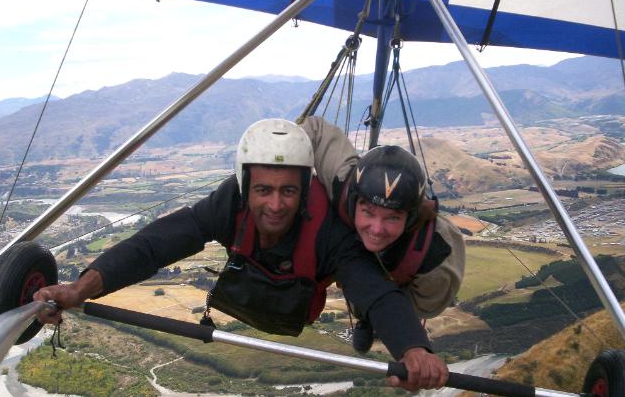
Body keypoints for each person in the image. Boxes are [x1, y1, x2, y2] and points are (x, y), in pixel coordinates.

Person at [34, 118, 448, 392]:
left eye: (289, 190)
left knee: (368, 290)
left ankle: (366, 330)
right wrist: (79, 288)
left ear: (305, 190)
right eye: (263, 190)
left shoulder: (328, 232)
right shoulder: (228, 204)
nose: (276, 205)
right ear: (245, 186)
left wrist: (413, 349)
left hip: (299, 304)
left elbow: (376, 291)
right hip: (259, 291)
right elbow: (154, 244)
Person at [301, 116, 465, 353]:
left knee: (378, 299)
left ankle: (367, 319)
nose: (377, 228)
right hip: (346, 243)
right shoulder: (342, 181)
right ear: (354, 201)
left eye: (393, 217)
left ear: (409, 217)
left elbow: (425, 306)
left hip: (399, 282)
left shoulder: (435, 254)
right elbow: (315, 129)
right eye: (368, 212)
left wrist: (374, 305)